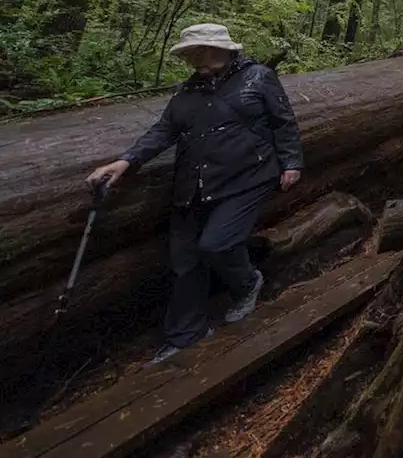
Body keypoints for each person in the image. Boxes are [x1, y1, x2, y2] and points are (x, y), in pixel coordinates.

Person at [86, 23, 304, 365]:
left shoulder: (258, 76)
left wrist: (292, 162)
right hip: (193, 185)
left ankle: (247, 283)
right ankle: (186, 336)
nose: (193, 60)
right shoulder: (189, 91)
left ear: (223, 49)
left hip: (248, 176)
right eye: (190, 54)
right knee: (185, 261)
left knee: (216, 243)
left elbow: (283, 121)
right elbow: (163, 130)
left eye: (199, 52)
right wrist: (125, 161)